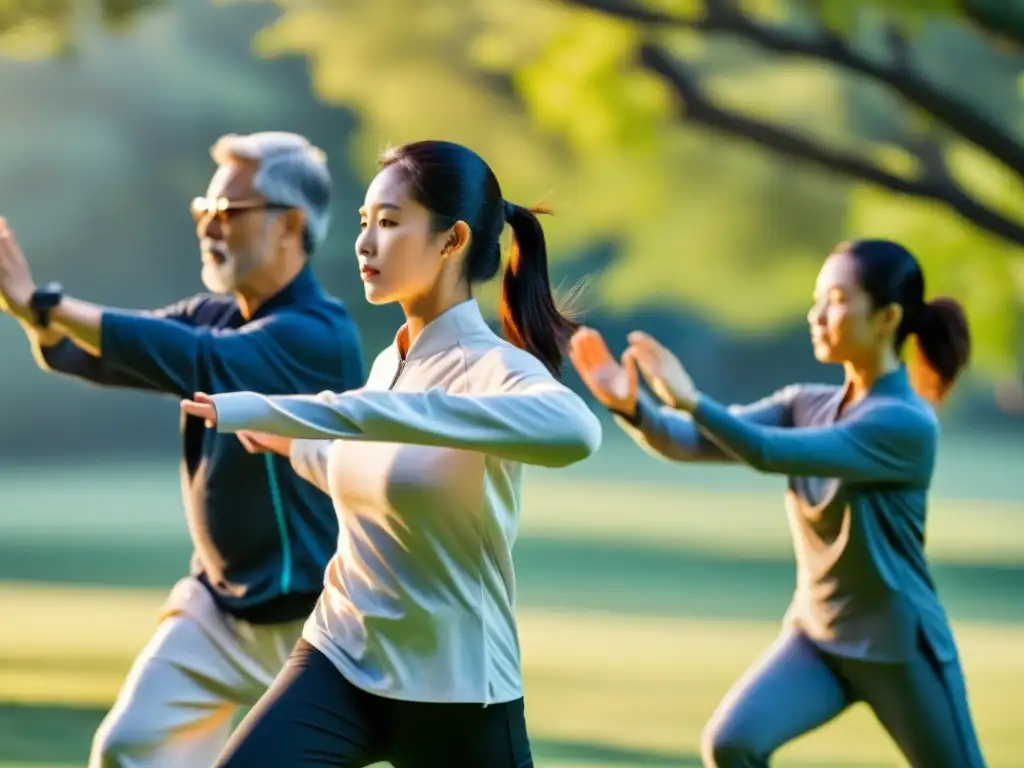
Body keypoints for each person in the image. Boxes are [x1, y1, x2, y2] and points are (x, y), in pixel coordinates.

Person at [180, 139, 602, 767]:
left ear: (451, 240)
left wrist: (284, 408)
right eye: (364, 224)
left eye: (389, 223)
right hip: (340, 657)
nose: (365, 243)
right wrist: (294, 443)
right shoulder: (389, 364)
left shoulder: (496, 368)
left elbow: (577, 433)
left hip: (456, 689)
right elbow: (367, 469)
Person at [0, 131, 366, 768]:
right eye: (205, 210)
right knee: (126, 752)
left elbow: (195, 359)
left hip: (316, 623)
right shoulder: (214, 315)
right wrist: (37, 317)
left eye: (228, 213)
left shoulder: (317, 335)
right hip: (216, 610)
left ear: (290, 227)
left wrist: (45, 302)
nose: (209, 226)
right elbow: (95, 353)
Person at [569, 239, 986, 768]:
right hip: (818, 638)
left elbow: (768, 453)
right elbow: (691, 440)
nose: (817, 315)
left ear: (887, 318)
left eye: (835, 300)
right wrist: (632, 406)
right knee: (732, 744)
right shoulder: (803, 404)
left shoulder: (905, 422)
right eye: (817, 299)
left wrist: (693, 399)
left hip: (899, 650)